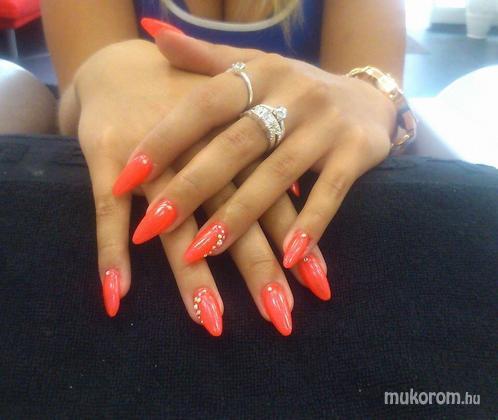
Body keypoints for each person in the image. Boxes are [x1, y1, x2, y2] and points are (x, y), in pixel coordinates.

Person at [41, 0, 406, 335]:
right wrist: (103, 70)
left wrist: (372, 99)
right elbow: (74, 110)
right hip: (141, 254)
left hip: (324, 234)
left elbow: (373, 82)